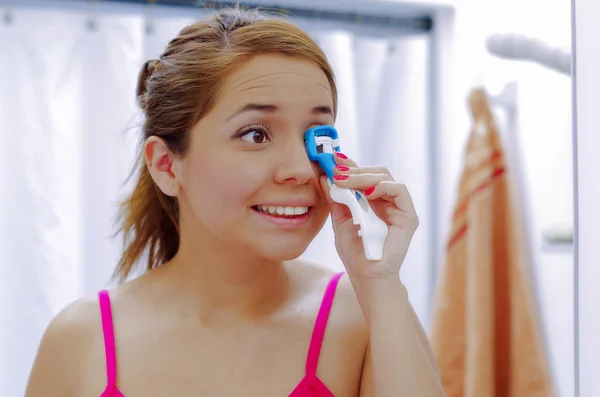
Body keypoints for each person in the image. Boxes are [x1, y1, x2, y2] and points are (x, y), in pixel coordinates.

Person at [25, 7, 444, 397]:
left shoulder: (367, 319)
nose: (301, 168)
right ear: (167, 165)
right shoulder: (82, 340)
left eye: (317, 136)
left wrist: (382, 284)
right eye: (256, 134)